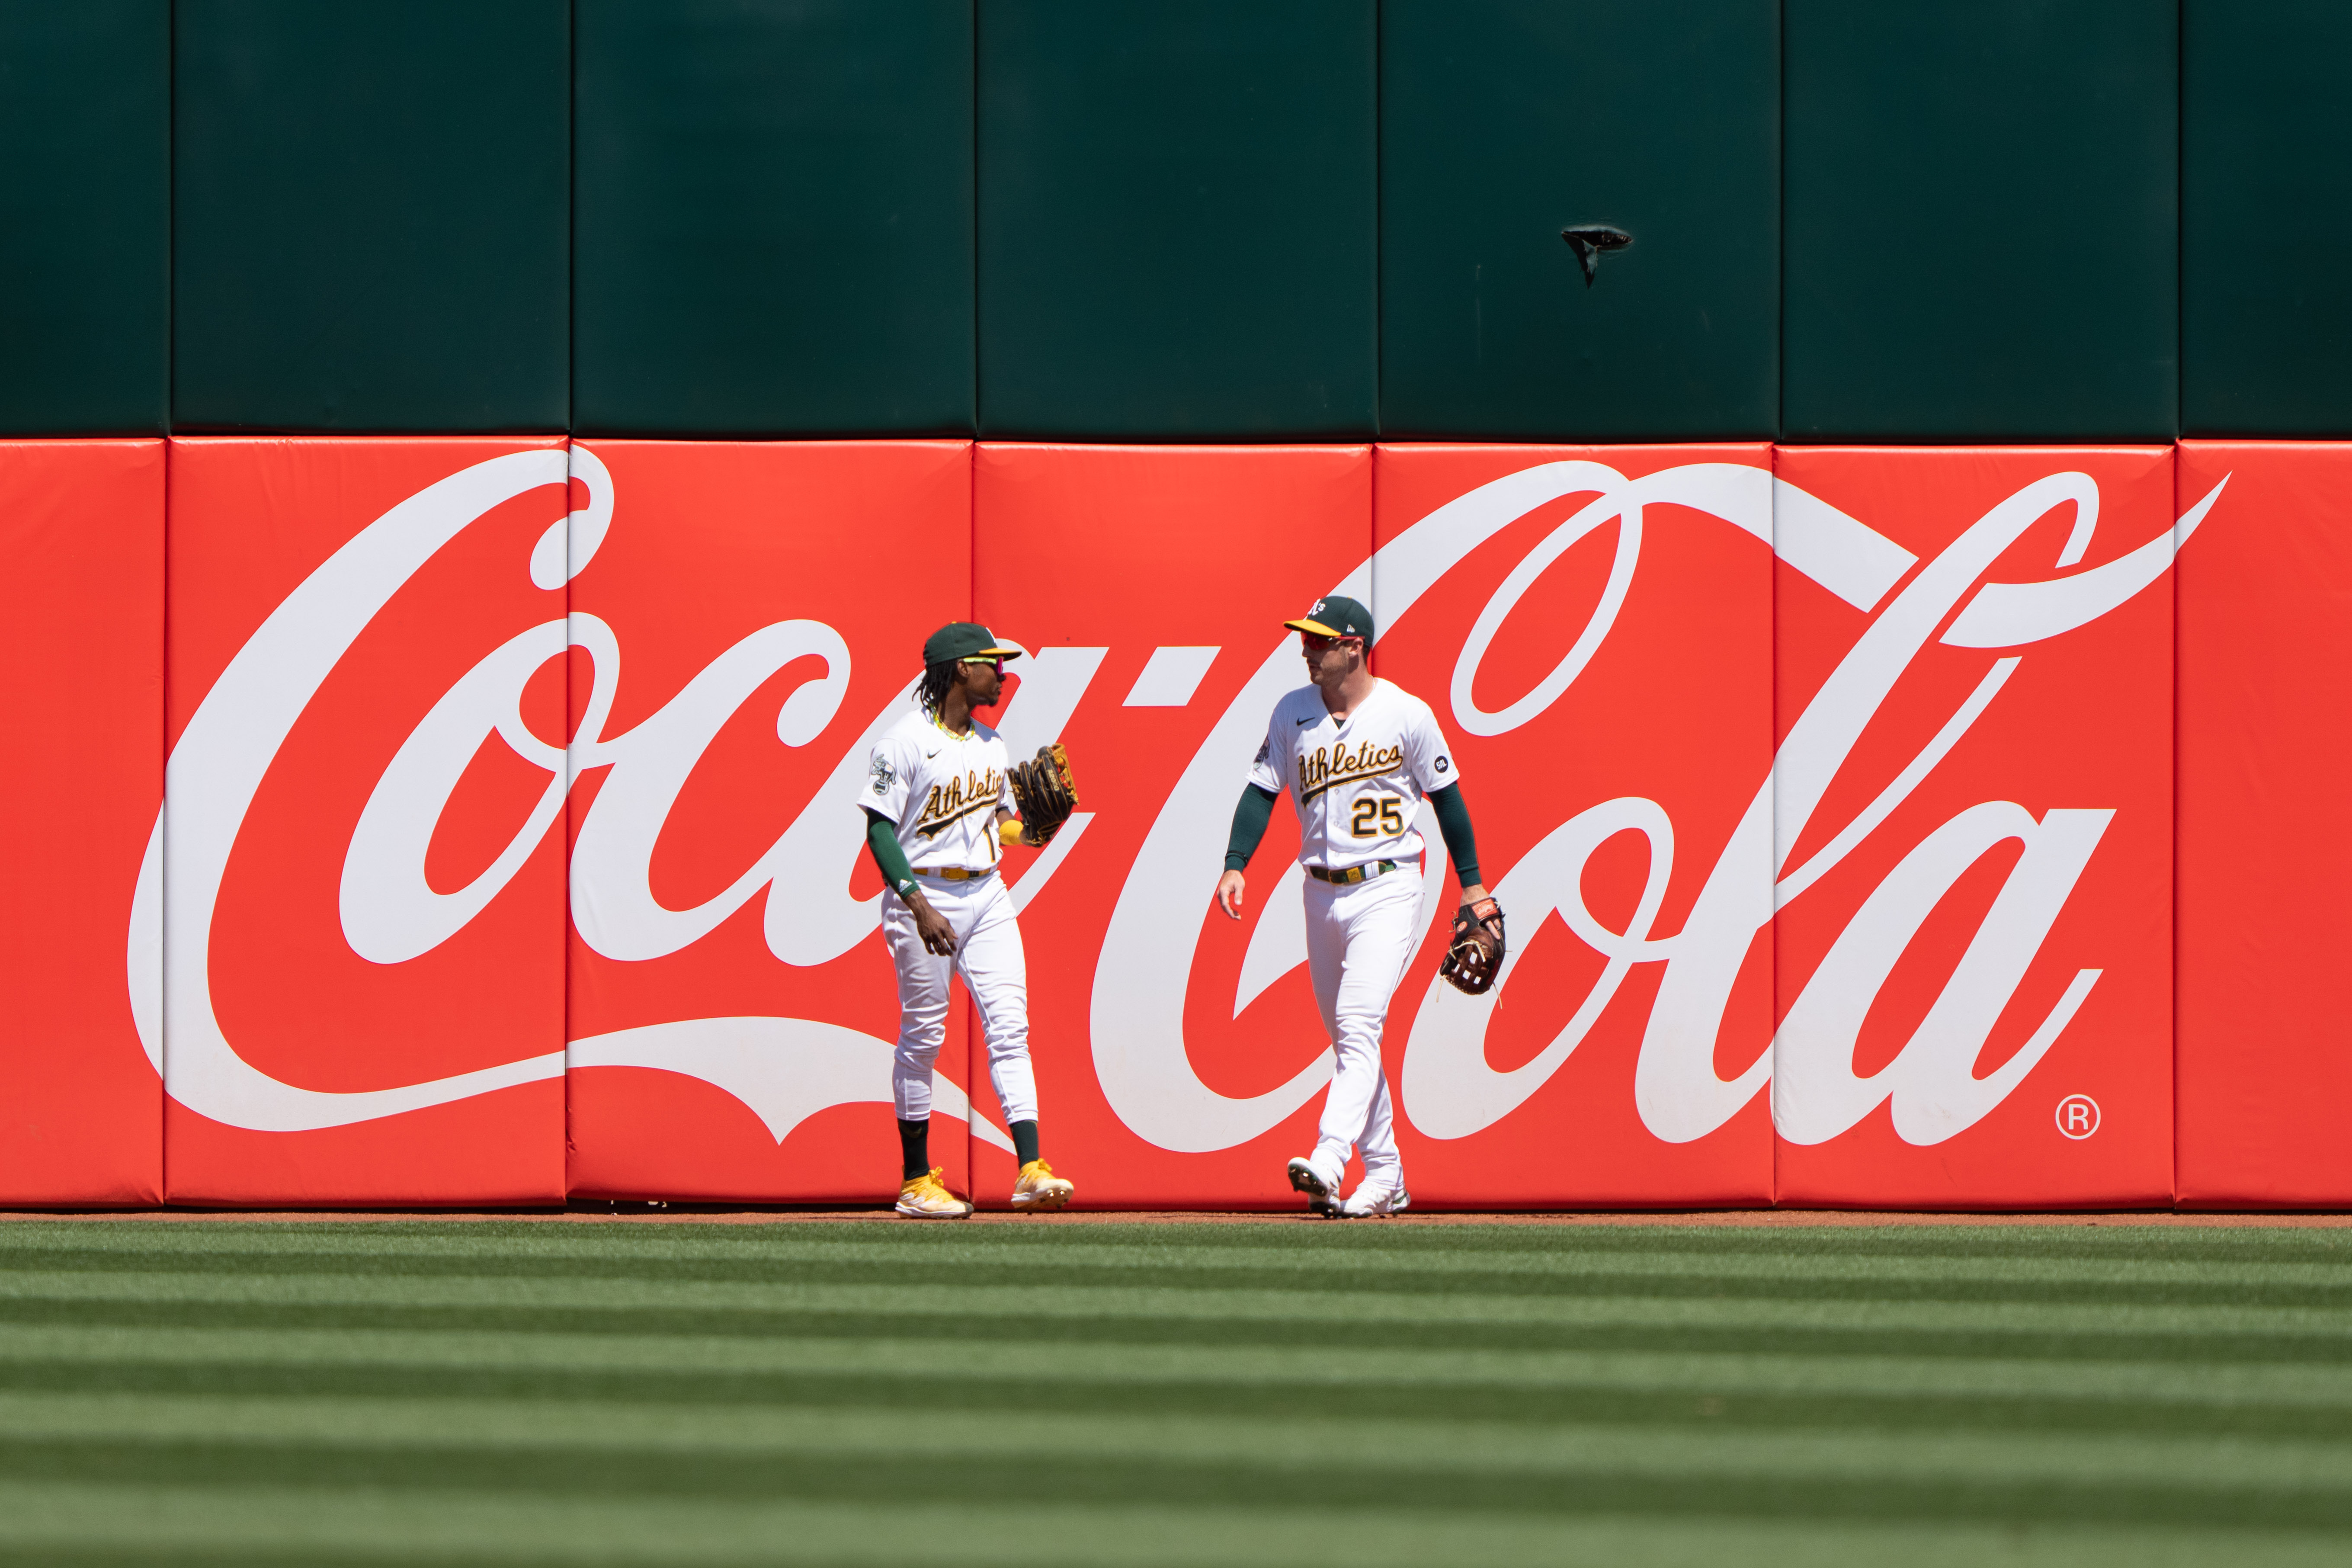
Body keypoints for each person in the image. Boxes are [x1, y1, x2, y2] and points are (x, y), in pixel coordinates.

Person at [1214, 596, 1495, 1218]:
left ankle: (1330, 1155)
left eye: (1319, 641)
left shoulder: (1406, 714)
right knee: (1349, 1039)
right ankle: (1388, 1173)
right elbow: (1261, 790)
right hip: (1319, 889)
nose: (1306, 649)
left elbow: (1448, 799)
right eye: (1305, 640)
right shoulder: (1292, 713)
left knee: (1359, 1022)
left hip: (1388, 883)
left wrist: (1472, 884)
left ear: (1354, 647)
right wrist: (1236, 862)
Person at [862, 622, 1075, 1218]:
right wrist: (916, 902)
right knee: (924, 1036)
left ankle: (1031, 1167)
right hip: (923, 896)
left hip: (987, 892)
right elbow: (878, 829)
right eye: (992, 664)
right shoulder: (901, 741)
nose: (1002, 674)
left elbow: (998, 826)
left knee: (1010, 1024)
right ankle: (914, 1180)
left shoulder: (992, 743)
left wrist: (1031, 832)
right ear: (961, 669)